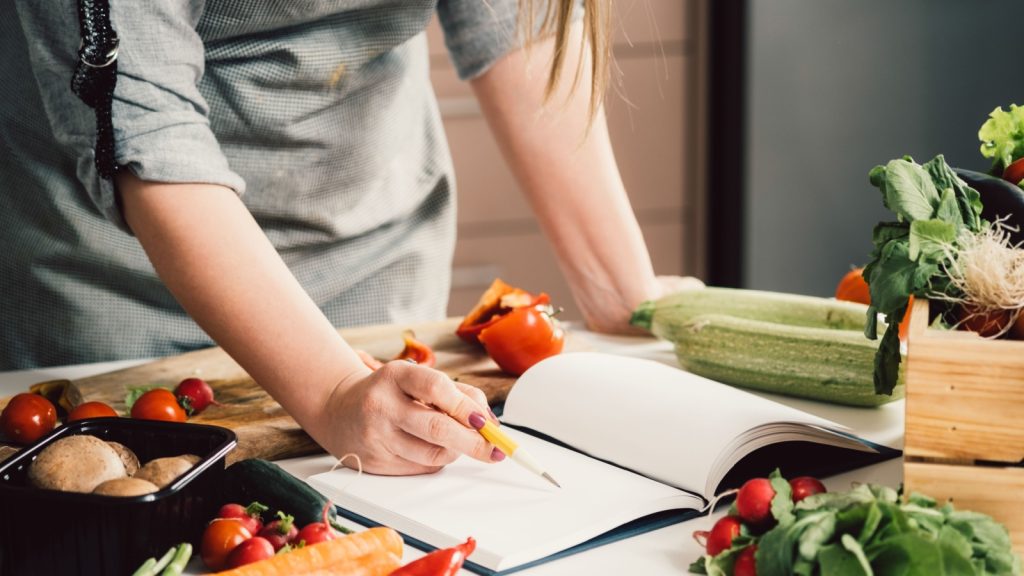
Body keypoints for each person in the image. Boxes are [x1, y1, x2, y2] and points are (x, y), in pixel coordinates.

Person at [3, 0, 700, 475]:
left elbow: (521, 22)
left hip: (378, 271)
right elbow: (147, 128)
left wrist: (621, 290)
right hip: (115, 295)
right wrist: (334, 391)